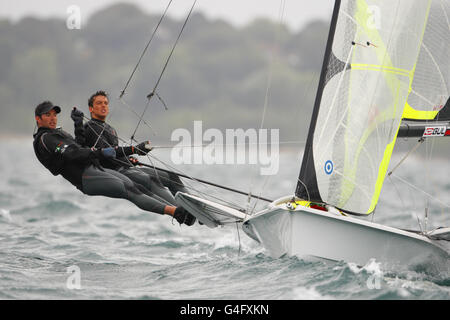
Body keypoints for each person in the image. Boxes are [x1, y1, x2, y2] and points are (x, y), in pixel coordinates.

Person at [32, 101, 195, 226]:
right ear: (38, 119)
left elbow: (80, 147)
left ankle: (183, 212)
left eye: (54, 115)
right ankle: (176, 212)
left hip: (95, 169)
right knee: (130, 191)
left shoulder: (57, 133)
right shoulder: (45, 139)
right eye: (48, 115)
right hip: (85, 177)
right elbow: (75, 154)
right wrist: (105, 152)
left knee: (138, 187)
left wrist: (77, 124)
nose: (53, 118)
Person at [71, 90, 190, 210]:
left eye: (106, 103)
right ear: (91, 109)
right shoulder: (90, 128)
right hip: (118, 173)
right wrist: (135, 149)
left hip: (128, 168)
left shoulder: (109, 128)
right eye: (99, 103)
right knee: (151, 180)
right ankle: (181, 211)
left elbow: (117, 153)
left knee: (171, 177)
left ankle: (194, 207)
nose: (103, 105)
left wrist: (129, 159)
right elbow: (107, 152)